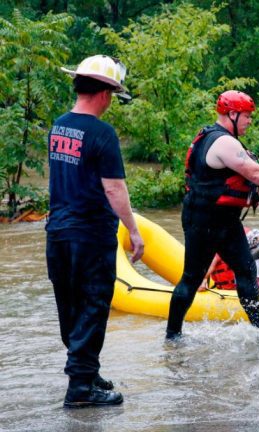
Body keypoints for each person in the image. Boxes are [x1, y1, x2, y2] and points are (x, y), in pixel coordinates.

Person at [166, 90, 259, 340]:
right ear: (232, 114)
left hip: (225, 221)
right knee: (191, 278)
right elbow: (254, 172)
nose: (249, 121)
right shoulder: (222, 141)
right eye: (247, 116)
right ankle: (172, 335)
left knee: (246, 271)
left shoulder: (225, 139)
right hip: (202, 220)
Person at [47, 54, 144, 408]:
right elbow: (115, 190)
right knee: (93, 305)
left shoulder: (58, 125)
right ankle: (80, 390)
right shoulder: (102, 133)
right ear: (105, 93)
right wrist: (134, 231)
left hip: (57, 232)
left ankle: (86, 372)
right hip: (91, 234)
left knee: (70, 305)